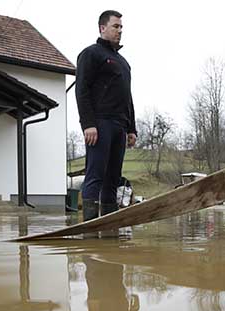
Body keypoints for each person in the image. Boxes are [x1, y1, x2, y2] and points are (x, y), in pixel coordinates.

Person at [76, 10, 137, 221]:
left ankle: (109, 230)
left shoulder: (123, 63)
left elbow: (127, 97)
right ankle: (90, 231)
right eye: (116, 26)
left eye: (121, 27)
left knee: (113, 179)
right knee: (95, 176)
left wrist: (131, 128)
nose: (120, 31)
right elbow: (81, 89)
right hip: (100, 123)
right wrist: (88, 124)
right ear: (103, 28)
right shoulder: (91, 54)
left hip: (120, 126)